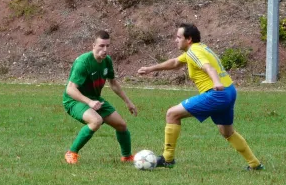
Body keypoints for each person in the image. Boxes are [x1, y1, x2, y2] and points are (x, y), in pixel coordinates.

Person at [137, 24, 264, 171]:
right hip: (229, 91)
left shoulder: (194, 52)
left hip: (217, 93)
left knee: (172, 114)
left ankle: (168, 158)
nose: (175, 40)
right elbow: (176, 62)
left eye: (179, 37)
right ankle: (254, 164)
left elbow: (208, 67)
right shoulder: (199, 48)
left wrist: (216, 82)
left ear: (189, 39)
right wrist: (151, 69)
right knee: (227, 132)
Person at [63, 30, 138, 164]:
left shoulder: (107, 61)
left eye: (107, 46)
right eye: (101, 46)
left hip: (94, 99)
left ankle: (126, 157)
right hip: (74, 100)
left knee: (121, 125)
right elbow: (70, 89)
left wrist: (128, 102)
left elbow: (113, 83)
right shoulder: (83, 62)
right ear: (93, 45)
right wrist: (89, 102)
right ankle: (71, 153)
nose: (105, 50)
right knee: (95, 121)